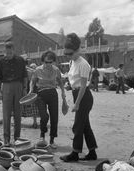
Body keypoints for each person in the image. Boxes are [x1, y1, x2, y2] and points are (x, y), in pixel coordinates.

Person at [60, 33, 98, 162]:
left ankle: (75, 153)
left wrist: (77, 103)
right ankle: (92, 152)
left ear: (78, 51)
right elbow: (74, 81)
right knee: (85, 125)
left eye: (70, 54)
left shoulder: (83, 64)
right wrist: (69, 86)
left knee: (78, 125)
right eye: (66, 54)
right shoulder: (73, 62)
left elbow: (83, 86)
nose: (68, 56)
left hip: (84, 97)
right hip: (77, 94)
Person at [28, 50, 66, 149]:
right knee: (44, 116)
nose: (48, 64)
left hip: (53, 93)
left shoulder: (56, 70)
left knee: (54, 117)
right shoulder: (37, 70)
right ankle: (42, 136)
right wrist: (31, 90)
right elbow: (32, 81)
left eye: (50, 62)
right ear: (42, 61)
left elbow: (60, 82)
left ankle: (52, 140)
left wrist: (63, 92)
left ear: (53, 61)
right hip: (41, 94)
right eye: (46, 62)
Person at [0, 41, 28, 146]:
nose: (8, 55)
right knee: (6, 114)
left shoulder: (20, 60)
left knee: (18, 114)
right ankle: (6, 139)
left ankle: (17, 138)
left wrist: (24, 88)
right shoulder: (1, 62)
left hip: (18, 87)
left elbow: (25, 76)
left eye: (10, 53)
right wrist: (0, 92)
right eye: (7, 53)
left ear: (13, 50)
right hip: (6, 87)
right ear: (4, 51)